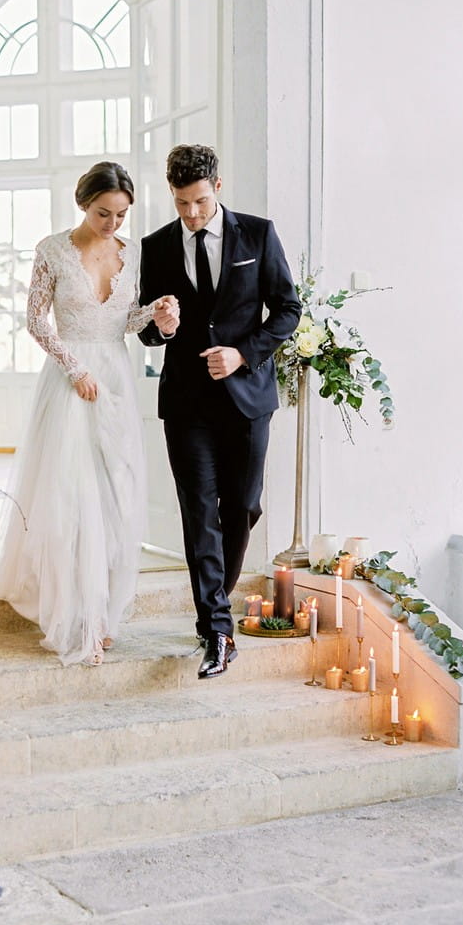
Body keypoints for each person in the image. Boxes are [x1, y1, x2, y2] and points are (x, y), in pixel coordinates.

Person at [0, 162, 179, 666]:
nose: (112, 223)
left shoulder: (132, 254)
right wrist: (73, 367)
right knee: (73, 496)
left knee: (116, 491)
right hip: (72, 380)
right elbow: (34, 320)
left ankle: (105, 612)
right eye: (102, 212)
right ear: (83, 203)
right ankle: (78, 616)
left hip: (115, 375)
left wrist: (154, 313)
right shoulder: (52, 250)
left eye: (121, 214)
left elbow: (122, 322)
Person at [139, 144, 300, 678]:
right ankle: (218, 627)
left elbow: (287, 309)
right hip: (186, 403)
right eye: (182, 203)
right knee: (198, 513)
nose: (191, 214)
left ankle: (217, 600)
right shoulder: (156, 246)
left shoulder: (258, 233)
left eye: (201, 202)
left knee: (245, 507)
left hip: (248, 398)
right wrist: (160, 326)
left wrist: (244, 352)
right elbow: (144, 329)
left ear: (218, 187)